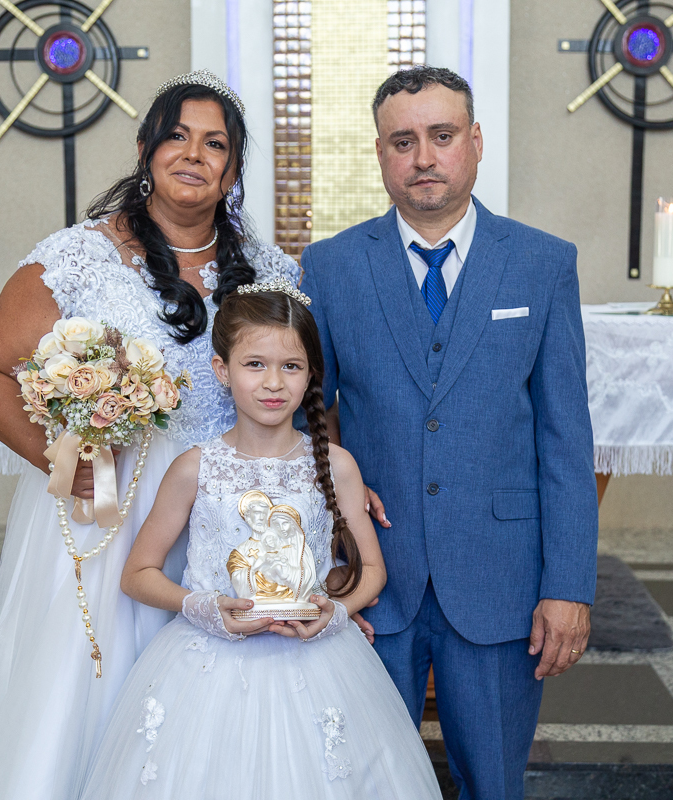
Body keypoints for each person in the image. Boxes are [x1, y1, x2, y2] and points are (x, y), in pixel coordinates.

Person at [0, 70, 300, 799]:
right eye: (177, 136)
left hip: (225, 510)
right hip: (111, 506)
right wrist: (56, 457)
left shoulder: (268, 270)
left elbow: (300, 386)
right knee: (94, 690)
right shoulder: (78, 258)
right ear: (145, 149)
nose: (193, 155)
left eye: (215, 144)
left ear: (232, 170)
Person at [300, 66, 599, 799]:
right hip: (372, 578)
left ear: (476, 142)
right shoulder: (331, 267)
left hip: (502, 580)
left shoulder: (542, 264)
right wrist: (317, 561)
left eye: (442, 136)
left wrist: (568, 585)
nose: (424, 157)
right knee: (368, 783)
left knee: (492, 784)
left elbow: (565, 439)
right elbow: (304, 422)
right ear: (380, 153)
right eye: (402, 141)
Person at [77, 282, 443, 800]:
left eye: (291, 366)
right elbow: (137, 574)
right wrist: (204, 607)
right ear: (222, 369)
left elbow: (374, 571)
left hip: (318, 662)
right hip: (207, 663)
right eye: (255, 365)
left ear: (312, 374)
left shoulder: (337, 466)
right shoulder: (195, 468)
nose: (274, 382)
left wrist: (336, 613)